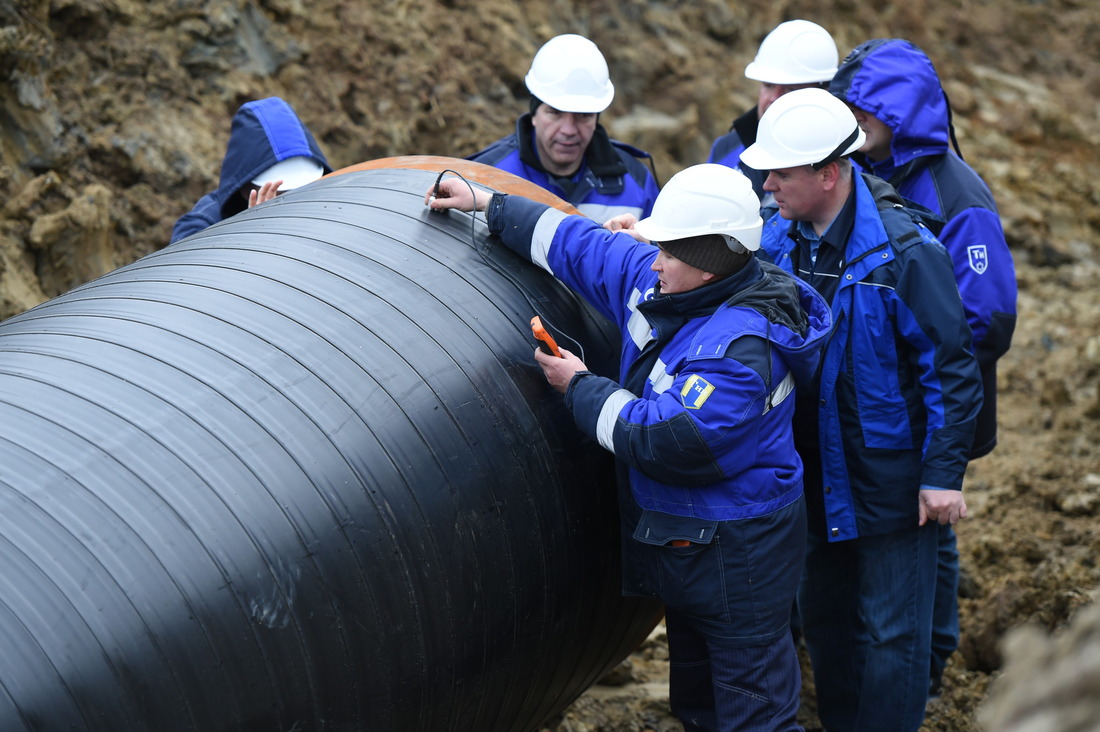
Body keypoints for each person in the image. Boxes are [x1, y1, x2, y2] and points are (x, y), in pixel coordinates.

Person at [427, 163, 832, 731]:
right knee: (699, 703)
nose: (654, 258)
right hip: (689, 543)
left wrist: (581, 387)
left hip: (741, 556)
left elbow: (671, 440)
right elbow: (581, 246)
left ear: (712, 261)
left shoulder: (742, 349)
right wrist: (488, 205)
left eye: (670, 251)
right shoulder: (667, 283)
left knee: (753, 714)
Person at [739, 87, 984, 732]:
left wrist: (942, 475)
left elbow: (951, 366)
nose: (767, 183)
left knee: (891, 632)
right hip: (812, 473)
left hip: (890, 480)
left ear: (829, 173)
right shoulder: (777, 240)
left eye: (781, 173)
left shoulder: (904, 253)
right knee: (826, 618)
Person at [828, 38, 1019, 697]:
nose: (850, 126)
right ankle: (920, 650)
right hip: (890, 406)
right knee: (920, 531)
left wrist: (903, 369)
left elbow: (987, 317)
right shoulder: (872, 171)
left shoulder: (952, 195)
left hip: (930, 407)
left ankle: (930, 659)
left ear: (897, 113)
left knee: (929, 530)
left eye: (861, 113)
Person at [466, 34, 660, 224]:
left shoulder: (637, 184)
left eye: (583, 115)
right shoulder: (484, 176)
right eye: (555, 113)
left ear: (596, 118)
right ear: (534, 115)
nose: (568, 130)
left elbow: (662, 255)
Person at [707, 20, 839, 211]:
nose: (773, 99)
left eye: (789, 89)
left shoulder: (843, 159)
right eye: (768, 85)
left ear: (823, 92)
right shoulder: (726, 148)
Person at [170, 96, 332, 243]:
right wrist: (254, 234)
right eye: (282, 194)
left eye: (305, 189)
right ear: (246, 189)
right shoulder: (200, 227)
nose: (296, 203)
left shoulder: (331, 205)